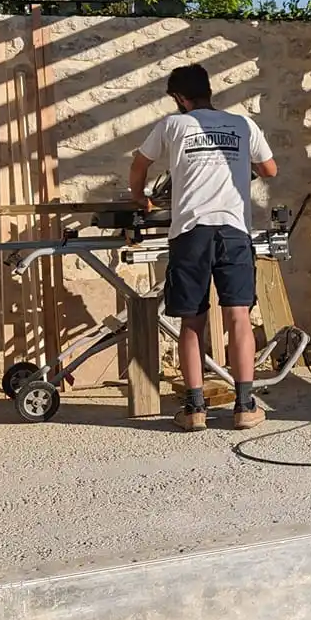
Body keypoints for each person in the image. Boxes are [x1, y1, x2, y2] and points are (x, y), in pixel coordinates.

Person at [128, 64, 277, 431]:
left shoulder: (172, 125)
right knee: (239, 318)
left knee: (191, 322)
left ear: (180, 97)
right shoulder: (243, 124)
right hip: (232, 230)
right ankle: (244, 406)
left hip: (191, 232)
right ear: (209, 91)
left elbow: (139, 165)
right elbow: (270, 169)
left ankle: (195, 410)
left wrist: (140, 199)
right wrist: (242, 168)